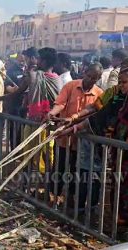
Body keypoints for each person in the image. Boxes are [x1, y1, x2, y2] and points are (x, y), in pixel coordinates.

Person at [60, 59, 128, 224]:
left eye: (125, 82)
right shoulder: (115, 95)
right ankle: (120, 218)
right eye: (120, 81)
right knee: (119, 182)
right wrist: (74, 125)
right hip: (119, 150)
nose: (122, 85)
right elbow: (99, 116)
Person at [44, 63, 104, 201]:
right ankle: (52, 196)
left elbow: (95, 114)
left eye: (94, 78)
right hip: (64, 138)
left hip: (83, 143)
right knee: (59, 168)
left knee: (76, 172)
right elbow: (60, 103)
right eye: (88, 76)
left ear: (98, 79)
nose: (90, 80)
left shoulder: (100, 94)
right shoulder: (70, 86)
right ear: (84, 72)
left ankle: (71, 199)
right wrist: (52, 113)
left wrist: (75, 119)